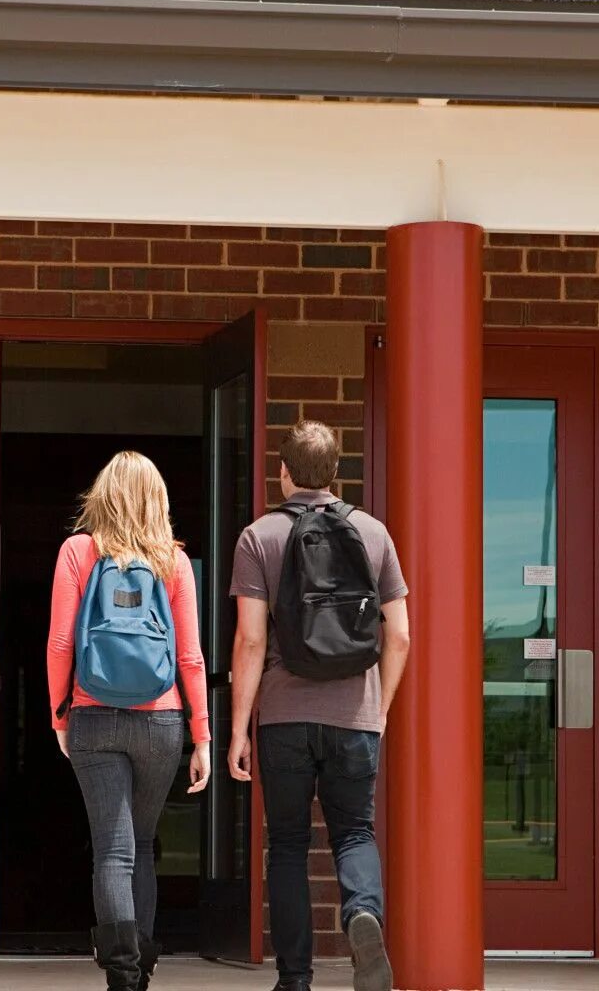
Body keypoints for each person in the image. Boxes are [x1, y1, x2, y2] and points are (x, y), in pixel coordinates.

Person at [227, 420, 410, 991]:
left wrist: (238, 731)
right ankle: (362, 914)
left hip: (283, 718)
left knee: (286, 845)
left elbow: (252, 640)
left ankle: (295, 979)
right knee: (354, 833)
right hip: (355, 714)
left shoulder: (259, 537)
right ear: (336, 471)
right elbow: (399, 636)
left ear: (283, 473)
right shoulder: (374, 534)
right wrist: (380, 710)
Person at [47, 451, 212, 991]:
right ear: (157, 501)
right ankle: (141, 967)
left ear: (101, 496)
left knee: (111, 849)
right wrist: (203, 734)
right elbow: (190, 656)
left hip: (93, 714)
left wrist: (58, 716)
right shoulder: (174, 562)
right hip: (161, 722)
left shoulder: (77, 551)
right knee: (141, 843)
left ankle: (120, 974)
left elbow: (61, 643)